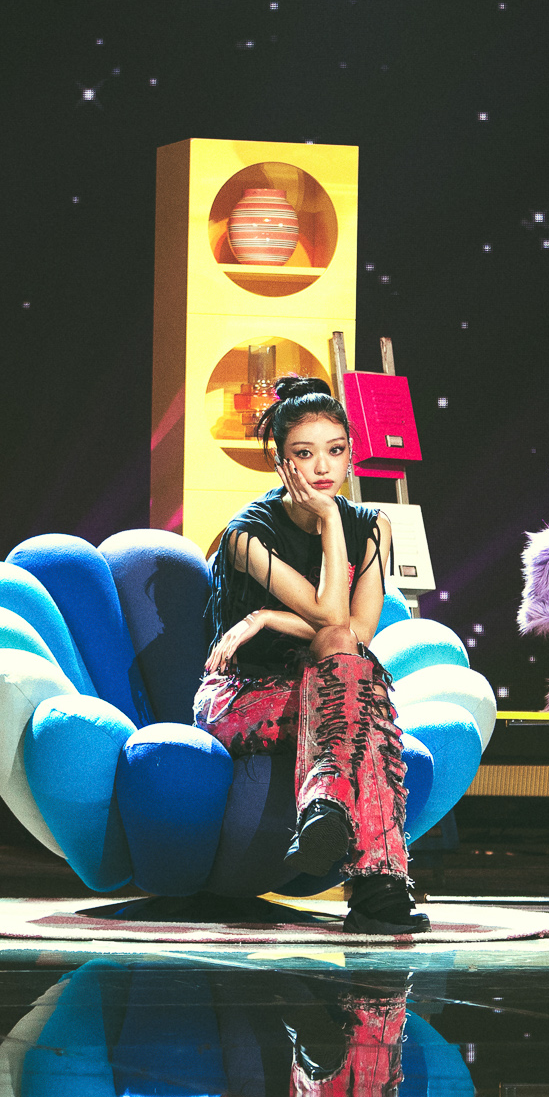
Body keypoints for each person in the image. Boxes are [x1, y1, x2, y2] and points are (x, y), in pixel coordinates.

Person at [196, 375, 428, 934]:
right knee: (365, 704)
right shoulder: (246, 535)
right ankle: (378, 887)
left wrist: (268, 616)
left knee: (345, 662)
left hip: (327, 685)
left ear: (350, 454)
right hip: (242, 694)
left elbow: (355, 631)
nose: (323, 467)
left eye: (336, 450)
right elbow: (329, 616)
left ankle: (327, 813)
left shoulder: (372, 526)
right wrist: (327, 520)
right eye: (304, 453)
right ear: (281, 463)